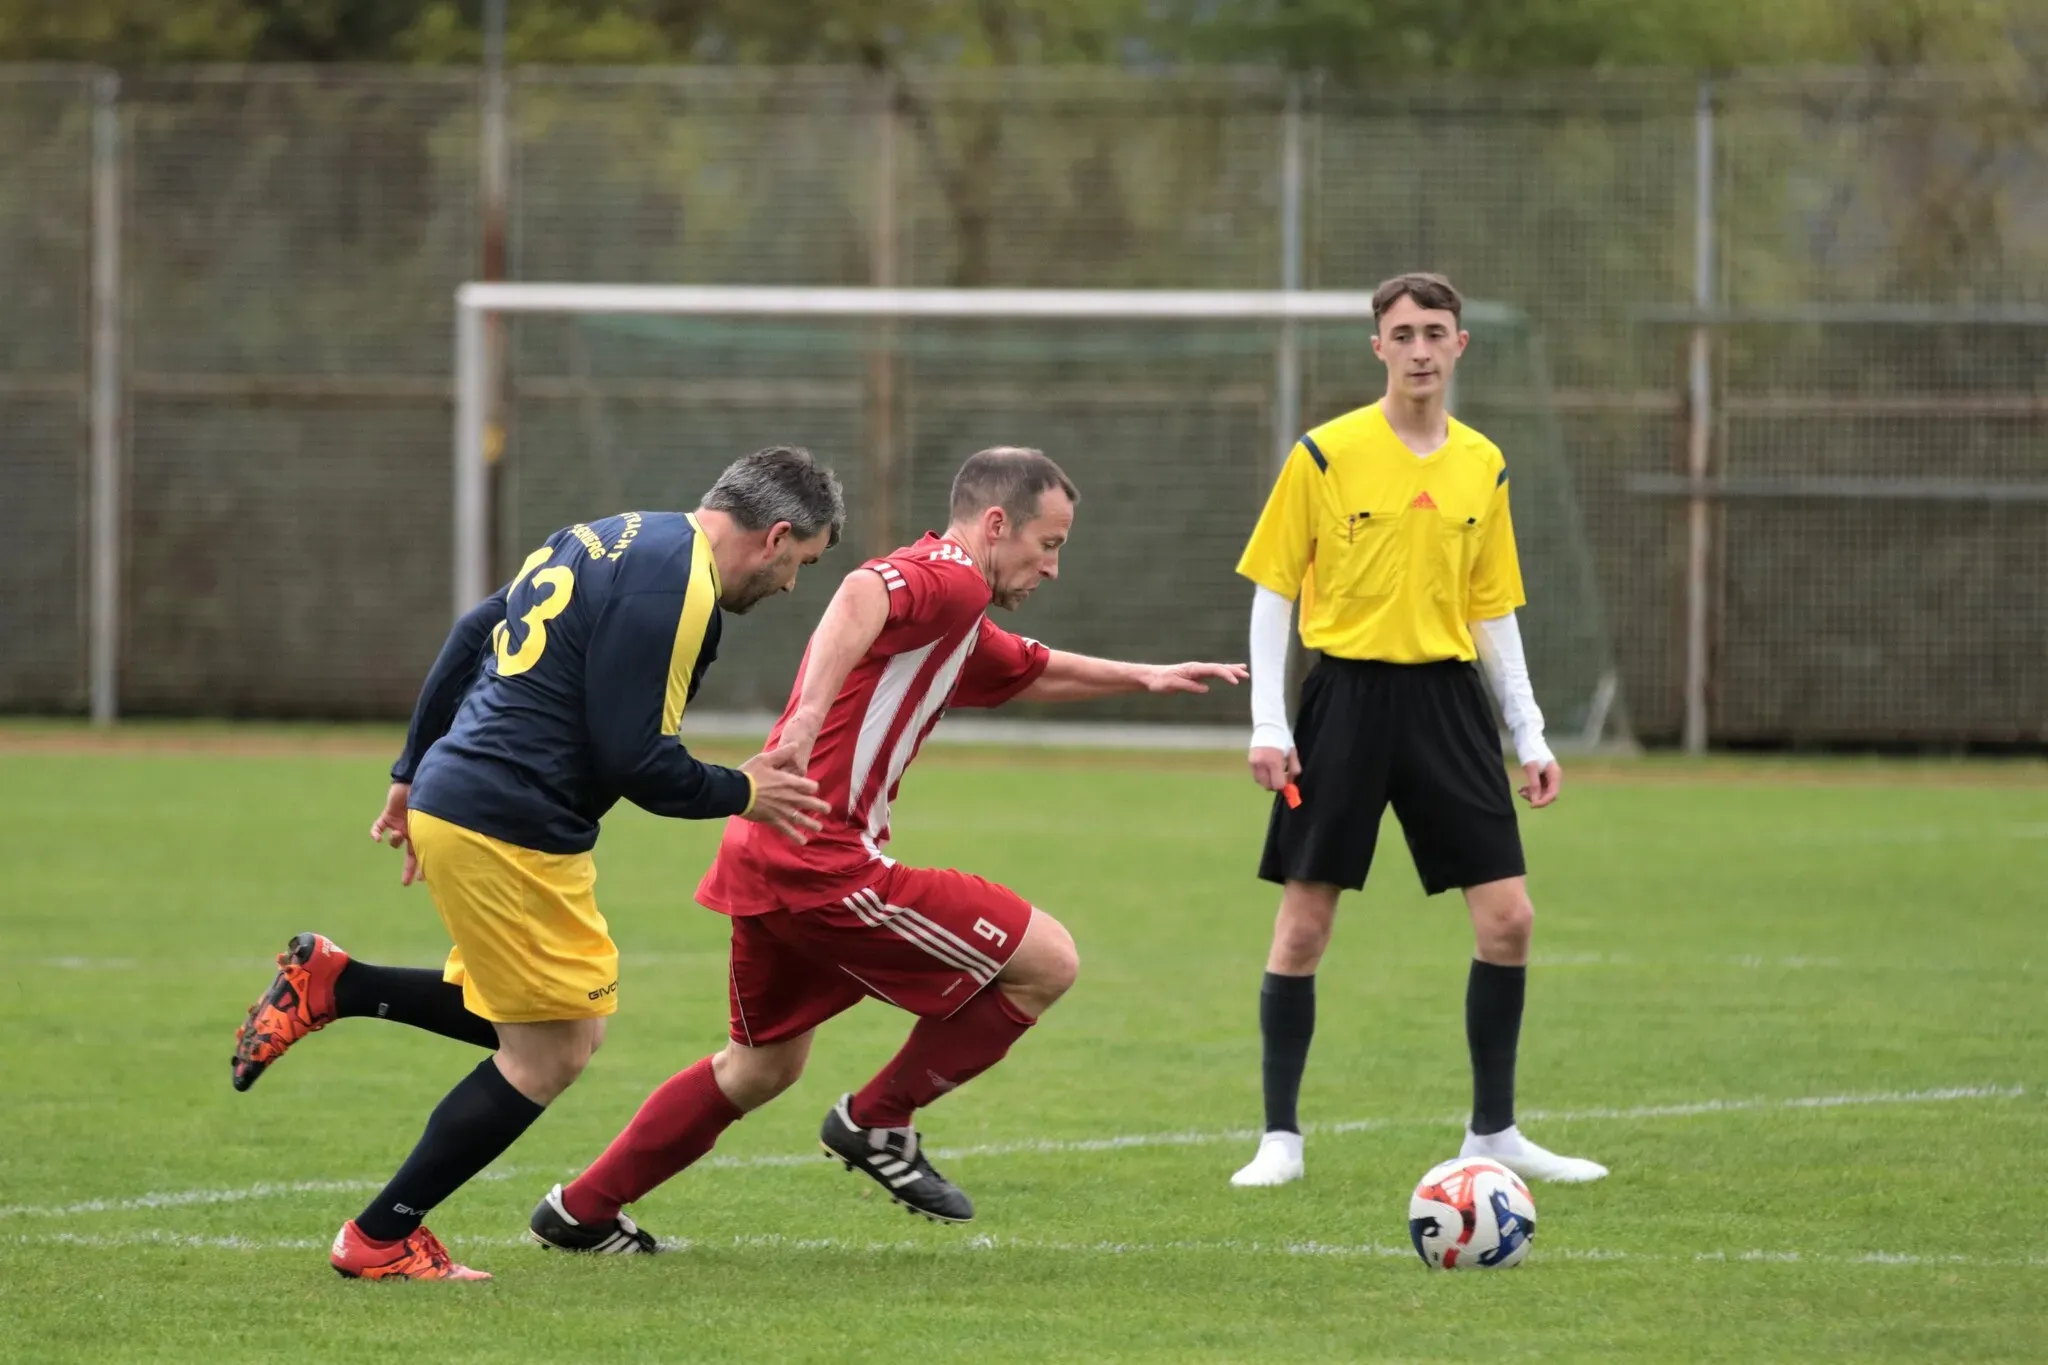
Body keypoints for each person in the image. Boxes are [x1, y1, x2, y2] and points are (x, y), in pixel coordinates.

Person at [522, 446, 1246, 1252]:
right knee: (1049, 961)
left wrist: (1144, 677)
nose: (1053, 568)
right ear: (996, 524)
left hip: (768, 850)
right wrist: (803, 719)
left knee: (759, 1068)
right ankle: (878, 1120)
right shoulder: (952, 577)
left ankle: (580, 1209)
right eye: (1050, 545)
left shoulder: (957, 616)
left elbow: (1030, 668)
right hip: (823, 861)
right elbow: (861, 592)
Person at [227, 446, 843, 1281]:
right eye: (800, 563)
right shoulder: (680, 589)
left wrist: (412, 769)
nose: (790, 585)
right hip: (509, 817)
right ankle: (379, 1236)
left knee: (558, 1025)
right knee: (550, 1054)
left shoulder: (608, 534)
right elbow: (635, 760)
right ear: (774, 536)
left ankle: (334, 982)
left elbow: (474, 630)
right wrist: (745, 791)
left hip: (477, 799)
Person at [1226, 274, 1608, 1189]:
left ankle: (1495, 1133)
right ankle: (1281, 1138)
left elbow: (1494, 609)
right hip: (1343, 705)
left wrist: (1532, 734)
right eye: (1403, 333)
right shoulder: (1324, 454)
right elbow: (1274, 591)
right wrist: (1269, 722)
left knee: (1510, 919)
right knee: (1304, 925)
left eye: (1436, 331)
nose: (1422, 348)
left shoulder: (1485, 462)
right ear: (1380, 348)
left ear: (1461, 345)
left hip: (1448, 708)